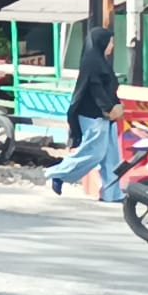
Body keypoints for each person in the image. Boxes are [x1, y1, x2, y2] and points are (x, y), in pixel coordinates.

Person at [45, 27, 124, 201]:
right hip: (93, 115)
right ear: (101, 42)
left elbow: (108, 89)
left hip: (107, 117)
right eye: (110, 41)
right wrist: (109, 108)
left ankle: (113, 194)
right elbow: (96, 89)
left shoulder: (101, 62)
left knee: (112, 156)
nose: (112, 45)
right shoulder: (92, 62)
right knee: (95, 153)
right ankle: (58, 173)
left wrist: (116, 106)